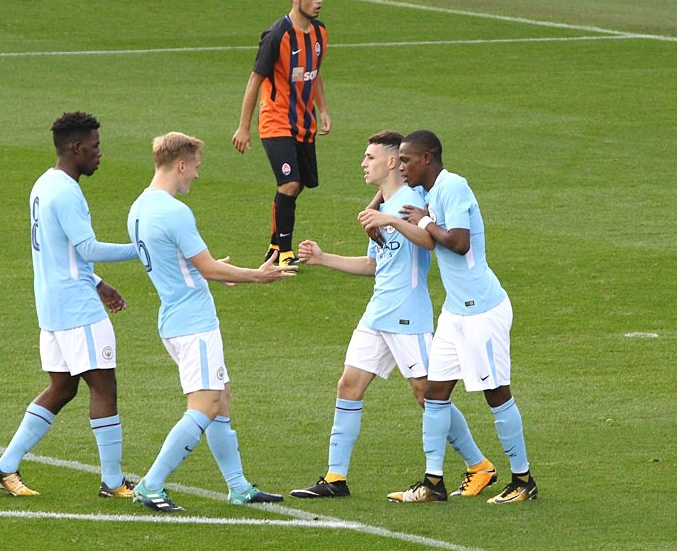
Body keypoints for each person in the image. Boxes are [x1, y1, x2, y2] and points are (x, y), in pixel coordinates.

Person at [289, 131, 497, 500]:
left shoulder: (412, 200)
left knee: (427, 396)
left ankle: (479, 465)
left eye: (370, 157)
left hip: (407, 315)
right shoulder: (383, 207)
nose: (363, 164)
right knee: (348, 386)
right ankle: (335, 477)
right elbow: (374, 265)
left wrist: (391, 220)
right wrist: (324, 259)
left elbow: (430, 241)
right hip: (377, 313)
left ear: (390, 162)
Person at [360, 130, 537, 505]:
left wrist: (423, 223)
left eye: (406, 160)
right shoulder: (427, 189)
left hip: (481, 310)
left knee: (496, 394)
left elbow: (459, 243)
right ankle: (432, 483)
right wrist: (379, 210)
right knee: (435, 394)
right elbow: (393, 193)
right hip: (455, 312)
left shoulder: (453, 187)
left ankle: (523, 479)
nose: (400, 167)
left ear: (427, 159)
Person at [128, 132, 295, 512]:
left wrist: (219, 270)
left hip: (174, 317)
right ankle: (150, 485)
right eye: (197, 167)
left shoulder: (139, 207)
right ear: (181, 164)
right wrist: (257, 275)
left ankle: (238, 487)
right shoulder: (174, 211)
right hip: (193, 324)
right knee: (203, 406)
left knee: (220, 399)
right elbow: (204, 266)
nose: (197, 176)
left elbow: (181, 263)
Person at [0, 111, 139, 499]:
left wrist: (100, 282)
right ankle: (113, 481)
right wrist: (141, 248)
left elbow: (61, 251)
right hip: (77, 310)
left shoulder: (43, 185)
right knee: (104, 387)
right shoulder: (67, 191)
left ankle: (5, 466)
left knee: (62, 387)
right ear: (76, 148)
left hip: (52, 307)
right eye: (94, 146)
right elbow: (86, 248)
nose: (99, 154)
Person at [232, 0, 330, 268]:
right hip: (275, 122)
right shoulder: (277, 36)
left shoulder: (320, 33)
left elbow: (315, 73)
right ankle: (284, 253)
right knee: (289, 183)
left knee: (298, 185)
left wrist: (323, 109)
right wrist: (243, 127)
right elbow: (254, 81)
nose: (318, 1)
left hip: (304, 123)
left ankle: (275, 242)